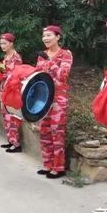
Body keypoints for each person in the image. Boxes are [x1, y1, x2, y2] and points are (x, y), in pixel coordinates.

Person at [35, 25, 72, 179]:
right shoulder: (42, 55)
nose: (46, 38)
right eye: (44, 36)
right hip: (44, 99)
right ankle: (48, 164)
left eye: (49, 35)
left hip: (58, 99)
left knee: (57, 132)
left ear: (57, 37)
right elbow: (38, 75)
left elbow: (63, 75)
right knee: (44, 131)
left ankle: (59, 167)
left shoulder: (65, 54)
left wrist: (49, 61)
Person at [0, 33, 23, 152]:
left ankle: (16, 143)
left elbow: (16, 75)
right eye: (1, 43)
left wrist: (2, 74)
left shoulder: (16, 57)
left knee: (12, 116)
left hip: (12, 89)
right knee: (5, 114)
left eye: (5, 43)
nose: (2, 46)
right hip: (4, 88)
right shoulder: (6, 57)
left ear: (11, 43)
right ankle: (10, 139)